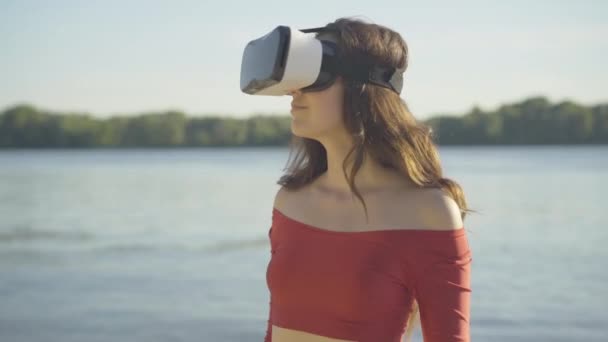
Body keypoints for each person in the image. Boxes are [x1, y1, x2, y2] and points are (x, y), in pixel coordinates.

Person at [264, 17, 473, 342]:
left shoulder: (428, 211)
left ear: (363, 88)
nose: (295, 90)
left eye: (315, 76)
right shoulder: (290, 201)